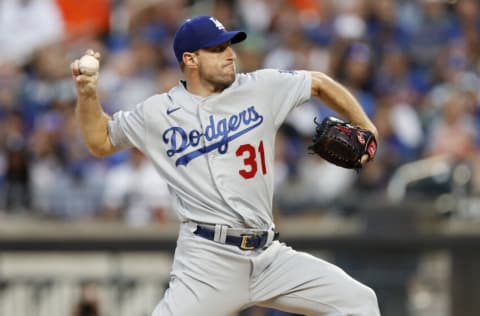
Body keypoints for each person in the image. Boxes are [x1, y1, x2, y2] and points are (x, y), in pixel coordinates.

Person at [71, 15, 380, 316]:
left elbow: (319, 83)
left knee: (358, 302)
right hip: (207, 260)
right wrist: (87, 94)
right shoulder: (157, 112)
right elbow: (101, 141)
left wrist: (366, 125)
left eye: (229, 46)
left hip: (267, 254)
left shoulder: (261, 87)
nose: (230, 55)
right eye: (217, 49)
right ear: (190, 60)